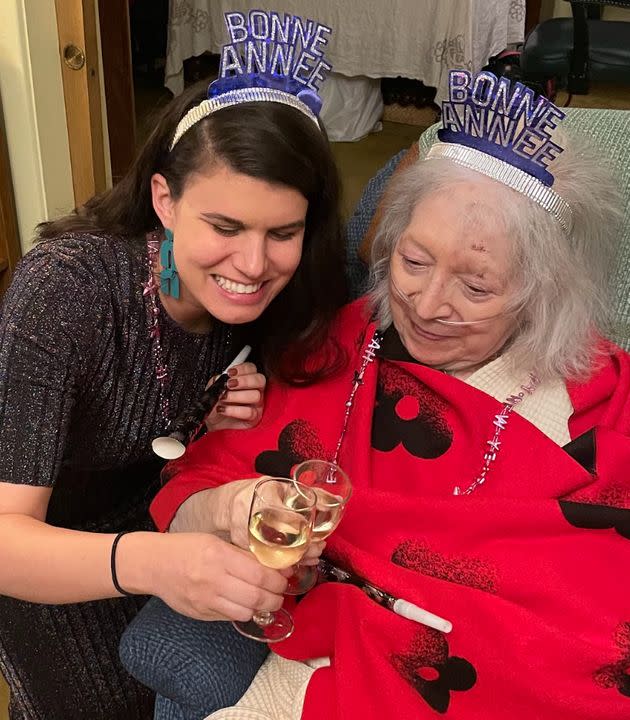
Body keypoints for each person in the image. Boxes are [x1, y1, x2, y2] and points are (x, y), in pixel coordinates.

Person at [121, 70, 630, 720]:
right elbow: (197, 485)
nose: (426, 302)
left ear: (542, 294)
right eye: (413, 262)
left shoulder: (601, 397)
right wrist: (231, 505)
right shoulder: (335, 344)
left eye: (476, 288)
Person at [0, 10, 345, 719]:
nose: (253, 265)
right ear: (164, 199)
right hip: (47, 548)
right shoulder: (67, 291)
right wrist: (155, 563)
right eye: (224, 227)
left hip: (171, 517)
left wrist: (209, 423)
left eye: (282, 232)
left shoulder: (293, 287)